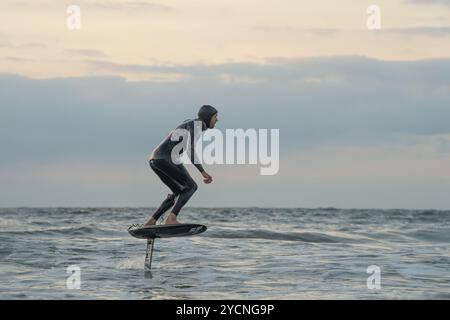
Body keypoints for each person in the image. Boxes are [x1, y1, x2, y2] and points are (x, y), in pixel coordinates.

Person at [144, 105, 218, 226]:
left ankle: (151, 221)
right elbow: (190, 149)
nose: (217, 120)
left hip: (155, 159)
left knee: (178, 191)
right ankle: (171, 219)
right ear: (208, 117)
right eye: (215, 116)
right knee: (191, 186)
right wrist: (202, 172)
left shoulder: (190, 122)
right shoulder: (198, 125)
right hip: (166, 158)